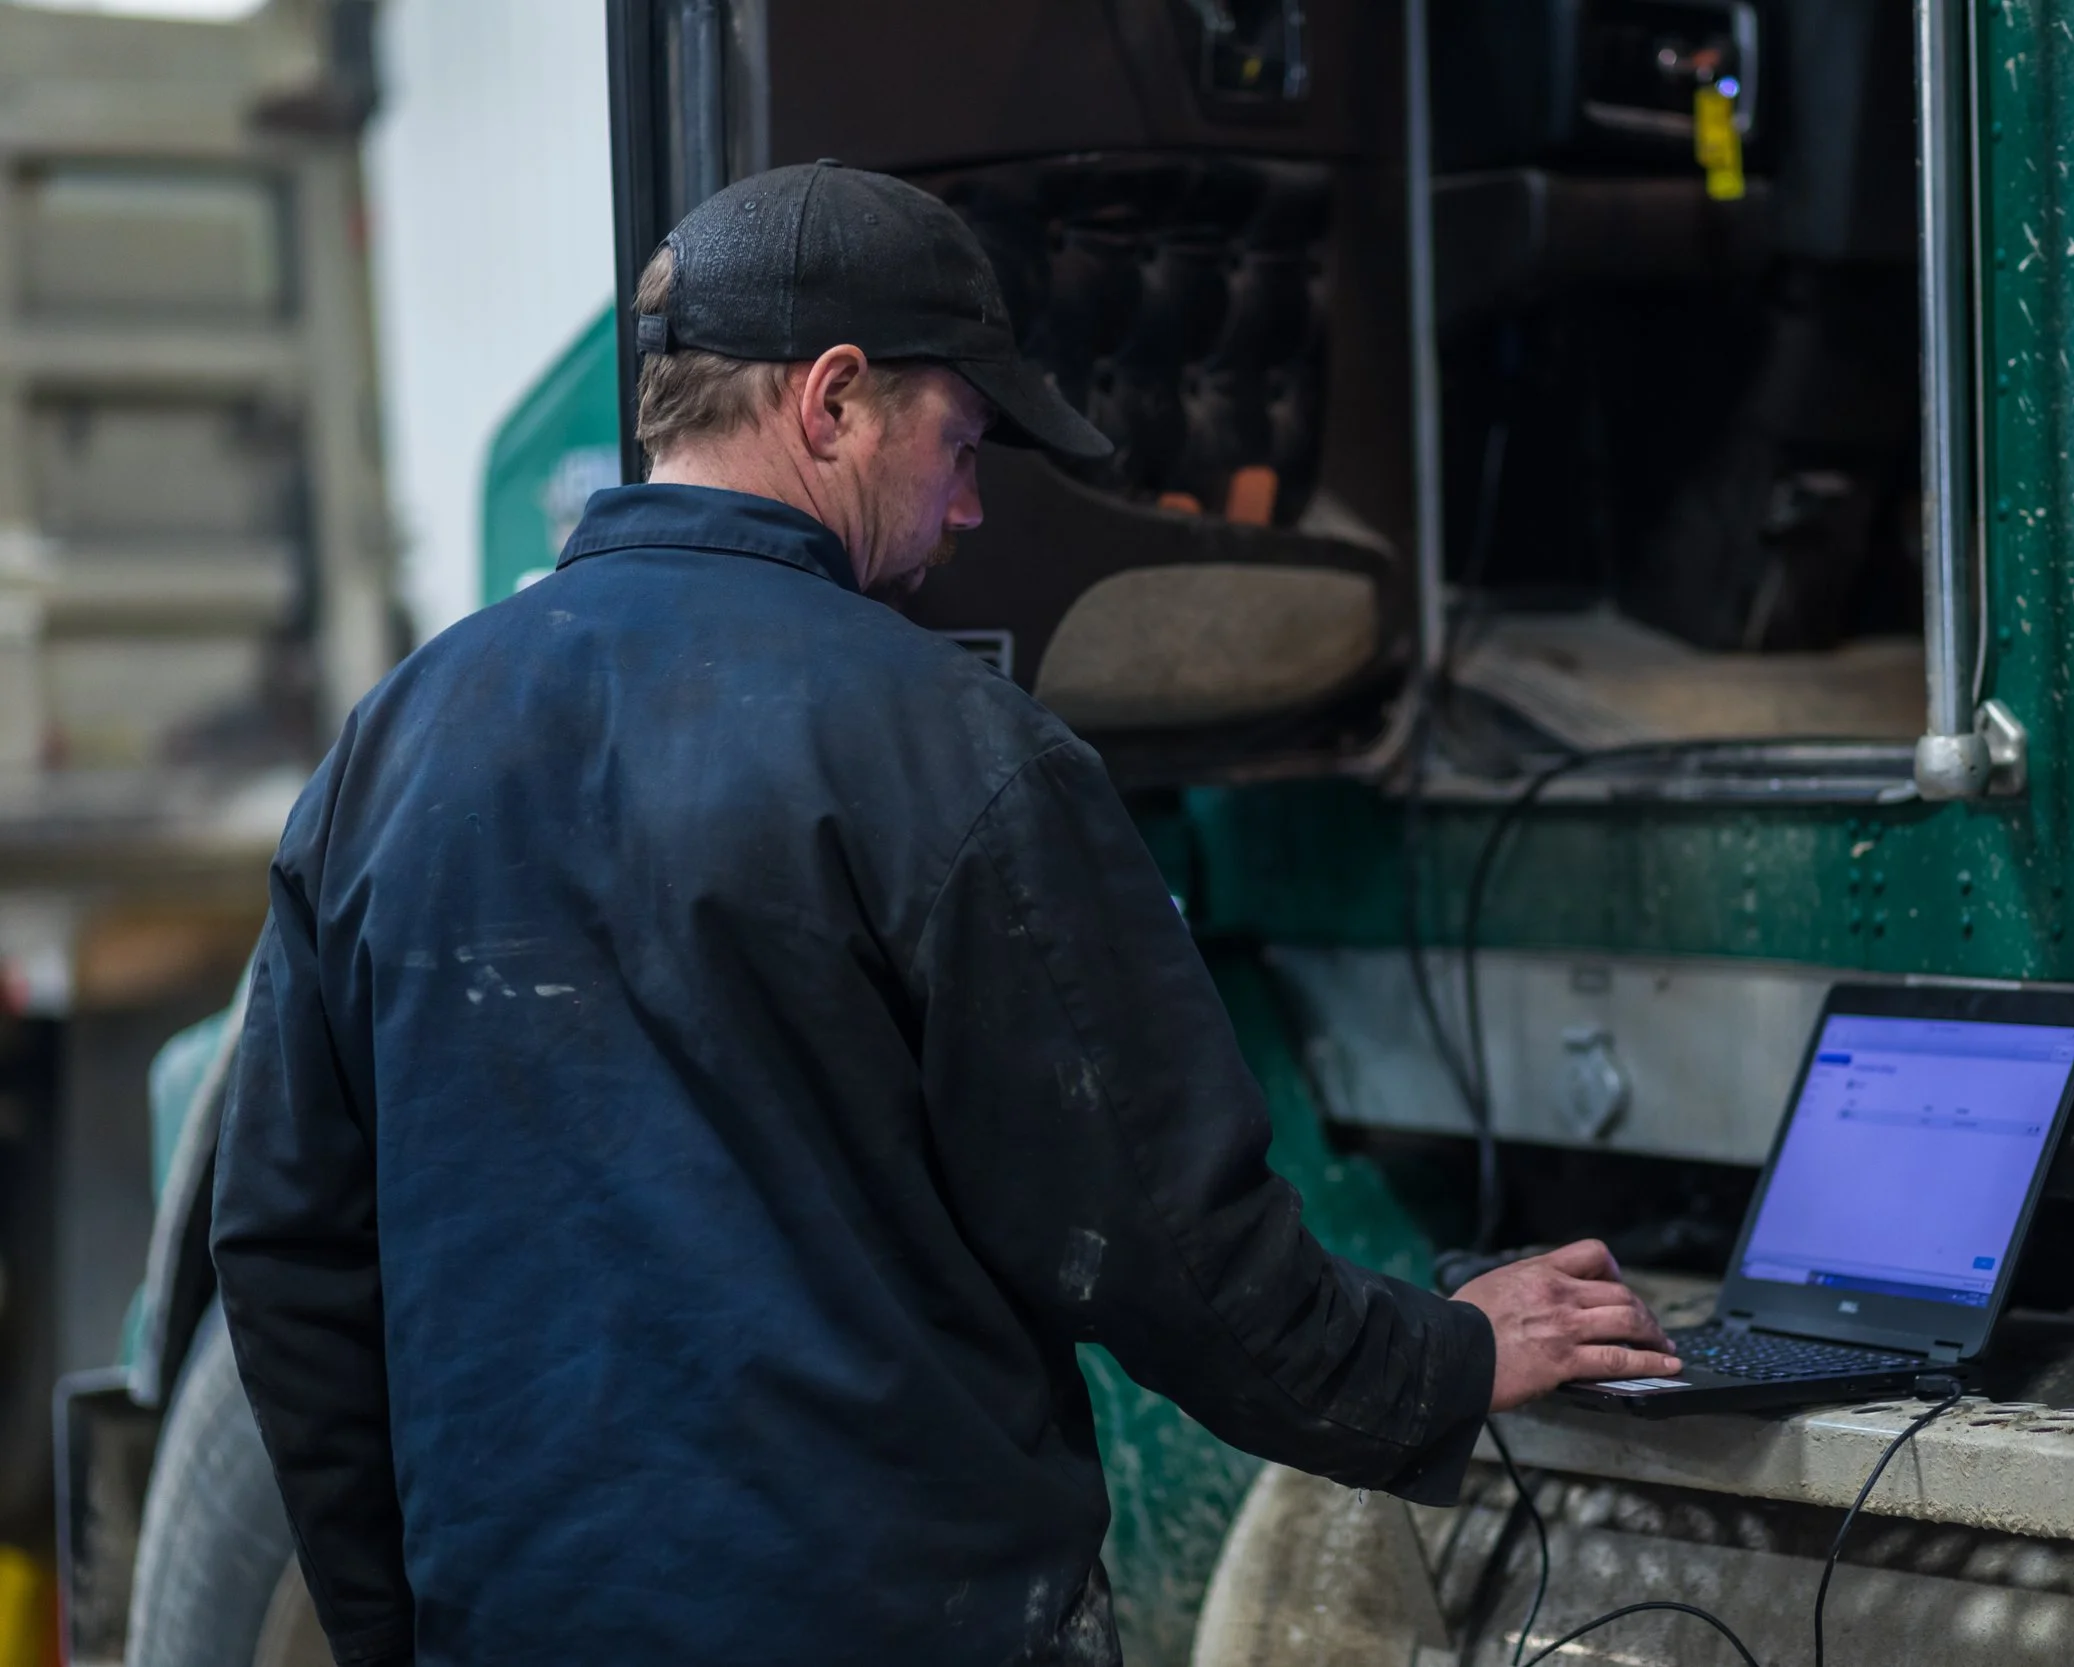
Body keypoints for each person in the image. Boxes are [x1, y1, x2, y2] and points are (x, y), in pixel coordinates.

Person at [208, 161, 1678, 1667]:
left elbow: (284, 1247)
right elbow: (1173, 1248)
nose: (970, 507)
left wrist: (394, 1629)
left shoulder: (388, 748)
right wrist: (1450, 1353)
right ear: (832, 401)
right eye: (960, 442)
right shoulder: (956, 750)